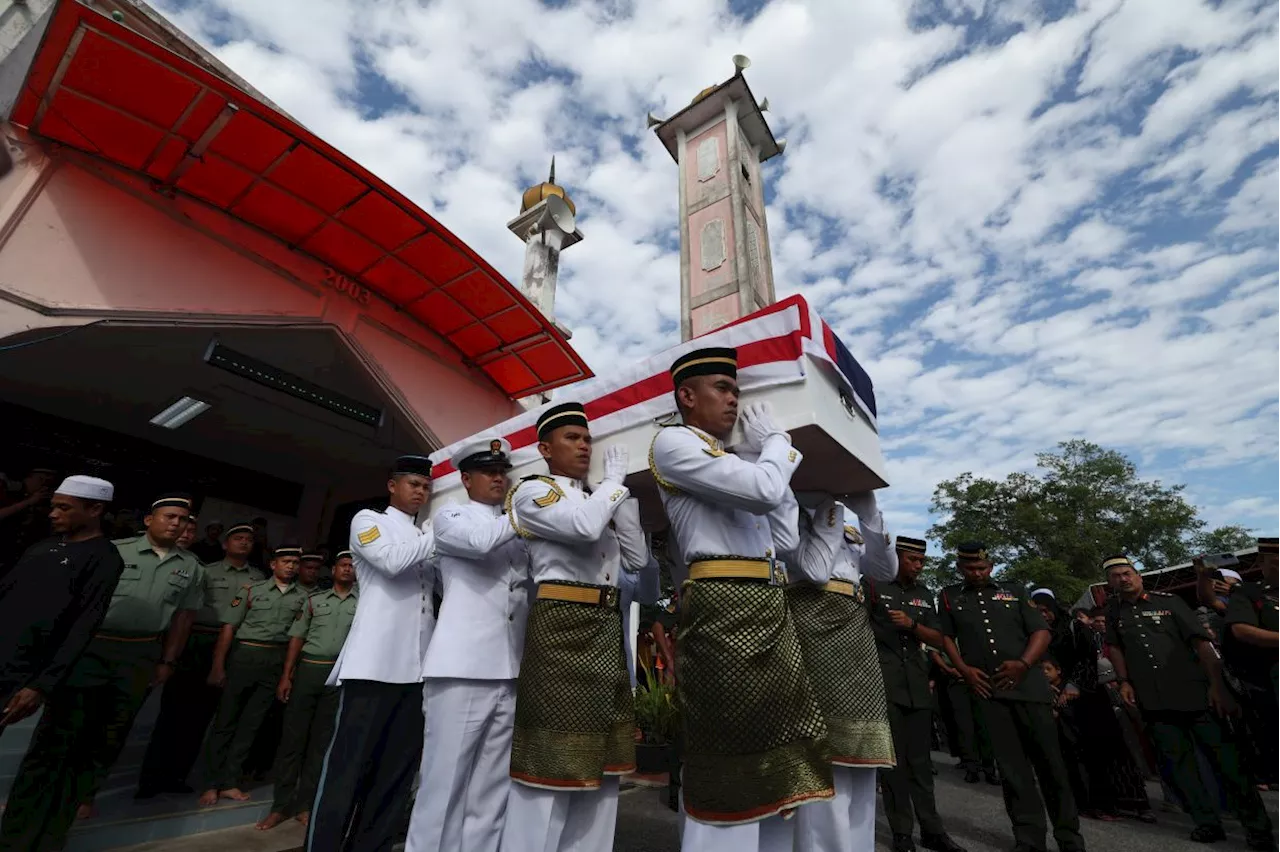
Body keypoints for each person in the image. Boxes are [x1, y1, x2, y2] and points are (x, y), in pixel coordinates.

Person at [650, 347, 830, 852]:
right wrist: (776, 444)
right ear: (687, 396)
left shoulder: (733, 460)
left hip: (769, 601)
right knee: (726, 757)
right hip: (721, 606)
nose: (735, 400)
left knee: (778, 758)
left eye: (737, 391)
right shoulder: (674, 442)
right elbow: (764, 491)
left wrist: (758, 453)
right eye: (723, 389)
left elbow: (786, 538)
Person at [0, 492, 204, 852]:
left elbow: (182, 619)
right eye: (170, 516)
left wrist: (167, 661)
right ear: (148, 520)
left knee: (99, 745)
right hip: (91, 649)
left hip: (140, 656)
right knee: (53, 744)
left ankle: (52, 836)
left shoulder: (192, 568)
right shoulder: (113, 552)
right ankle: (15, 833)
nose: (177, 524)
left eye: (184, 520)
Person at [499, 403, 648, 852]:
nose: (584, 446)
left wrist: (620, 500)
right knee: (549, 761)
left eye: (587, 439)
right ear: (545, 448)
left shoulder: (599, 496)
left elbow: (638, 563)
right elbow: (582, 529)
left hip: (605, 624)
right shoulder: (533, 492)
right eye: (572, 438)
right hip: (561, 624)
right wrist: (613, 486)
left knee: (603, 765)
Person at [406, 436, 531, 852]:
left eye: (503, 472)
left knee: (491, 787)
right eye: (489, 472)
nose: (499, 478)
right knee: (443, 784)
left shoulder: (514, 524)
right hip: (460, 668)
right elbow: (479, 544)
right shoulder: (449, 516)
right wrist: (525, 506)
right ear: (466, 478)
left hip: (509, 667)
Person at [307, 454, 437, 852]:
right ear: (393, 486)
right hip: (373, 664)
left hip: (417, 668)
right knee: (347, 768)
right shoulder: (369, 521)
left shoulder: (427, 535)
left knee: (396, 773)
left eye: (426, 486)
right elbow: (392, 562)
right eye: (412, 483)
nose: (420, 491)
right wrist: (442, 532)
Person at [1105, 553, 1274, 849]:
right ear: (1110, 582)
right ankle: (1207, 823)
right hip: (1154, 701)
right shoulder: (1113, 611)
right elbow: (1116, 647)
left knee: (1229, 764)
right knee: (1181, 768)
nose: (1123, 578)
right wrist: (1124, 680)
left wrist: (1217, 686)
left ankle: (1257, 827)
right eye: (1116, 575)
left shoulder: (1168, 602)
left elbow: (1201, 643)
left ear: (1138, 574)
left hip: (1196, 695)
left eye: (1127, 572)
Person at [938, 542, 1084, 852]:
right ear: (959, 568)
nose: (977, 573)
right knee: (1013, 772)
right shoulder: (949, 596)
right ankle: (1029, 839)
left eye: (982, 568)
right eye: (970, 568)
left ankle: (1069, 838)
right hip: (989, 691)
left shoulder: (1015, 591)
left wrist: (1024, 664)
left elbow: (1041, 632)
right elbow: (947, 636)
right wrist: (963, 669)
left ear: (991, 567)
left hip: (1029, 688)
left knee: (1051, 768)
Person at [786, 491, 898, 852]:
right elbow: (813, 571)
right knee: (824, 755)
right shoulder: (786, 514)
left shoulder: (849, 529)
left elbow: (884, 571)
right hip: (810, 626)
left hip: (854, 635)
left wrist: (870, 515)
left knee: (863, 759)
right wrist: (828, 508)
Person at [138, 521, 265, 797]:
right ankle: (151, 780)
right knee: (173, 712)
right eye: (238, 538)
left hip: (232, 647)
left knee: (203, 717)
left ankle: (178, 777)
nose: (244, 543)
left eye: (249, 540)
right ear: (225, 544)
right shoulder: (206, 572)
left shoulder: (259, 579)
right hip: (198, 641)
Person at [0, 476, 123, 733]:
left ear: (95, 509)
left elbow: (84, 624)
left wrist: (40, 685)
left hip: (17, 668)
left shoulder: (104, 558)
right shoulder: (43, 545)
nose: (53, 514)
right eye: (53, 506)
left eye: (64, 508)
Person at [871, 537, 966, 852]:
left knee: (921, 763)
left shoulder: (924, 595)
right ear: (896, 558)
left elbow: (940, 638)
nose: (919, 566)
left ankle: (932, 829)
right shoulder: (872, 585)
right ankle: (901, 832)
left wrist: (912, 625)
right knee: (893, 764)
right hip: (884, 683)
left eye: (922, 561)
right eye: (913, 560)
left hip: (916, 683)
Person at [1030, 588, 1153, 824]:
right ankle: (1091, 803)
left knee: (1109, 750)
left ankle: (1132, 802)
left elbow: (1088, 660)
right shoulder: (1037, 634)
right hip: (1060, 701)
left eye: (1045, 610)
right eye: (1038, 612)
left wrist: (1072, 685)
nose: (1043, 615)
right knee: (1076, 755)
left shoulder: (1076, 628)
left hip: (1090, 698)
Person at [257, 551, 358, 830]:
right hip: (308, 671)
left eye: (353, 566)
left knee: (321, 744)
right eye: (343, 565)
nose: (348, 570)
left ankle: (305, 804)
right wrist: (287, 676)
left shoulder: (364, 604)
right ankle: (280, 806)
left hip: (338, 675)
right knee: (293, 740)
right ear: (334, 569)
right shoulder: (314, 600)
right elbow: (297, 638)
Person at [198, 545, 307, 805]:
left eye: (294, 562)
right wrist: (218, 665)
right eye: (285, 561)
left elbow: (296, 638)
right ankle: (210, 783)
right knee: (225, 721)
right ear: (273, 565)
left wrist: (286, 674)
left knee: (251, 724)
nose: (290, 566)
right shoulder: (251, 591)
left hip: (275, 659)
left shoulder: (303, 598)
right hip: (245, 655)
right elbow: (228, 628)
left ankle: (230, 782)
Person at [0, 465, 57, 579]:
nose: (43, 485)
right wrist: (30, 502)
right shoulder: (9, 493)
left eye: (48, 483)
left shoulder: (39, 501)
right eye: (40, 480)